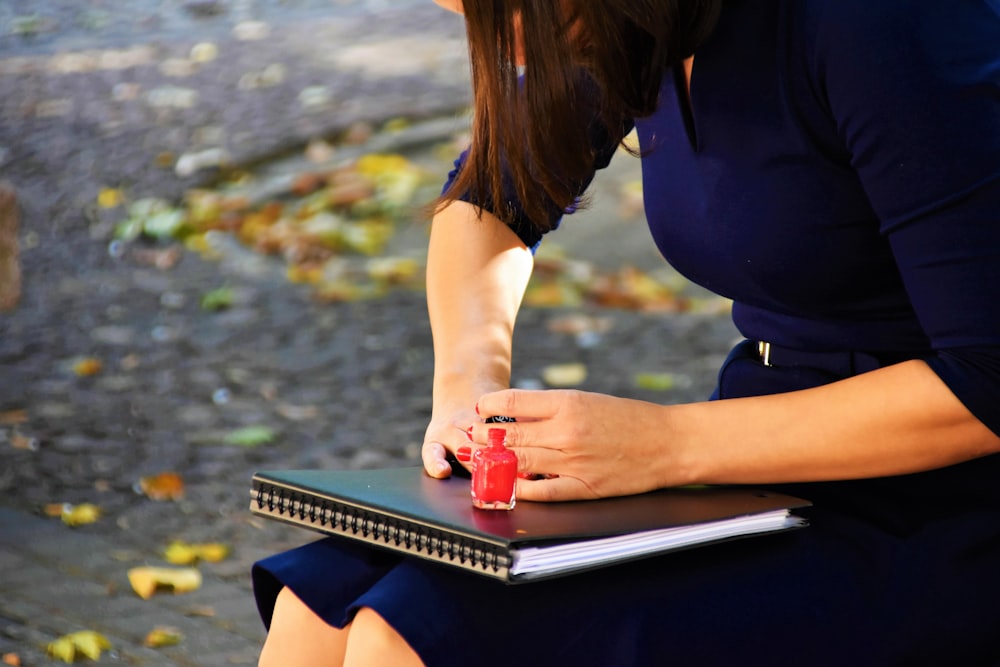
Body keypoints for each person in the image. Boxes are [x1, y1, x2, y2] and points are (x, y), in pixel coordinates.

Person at [254, 0, 1000, 664]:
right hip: (759, 458)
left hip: (939, 504)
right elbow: (486, 202)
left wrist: (662, 445)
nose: (500, 46)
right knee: (317, 609)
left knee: (408, 632)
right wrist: (469, 391)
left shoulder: (884, 22)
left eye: (492, 11)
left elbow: (987, 376)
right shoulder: (636, 21)